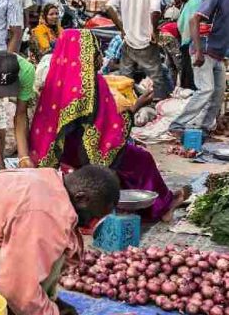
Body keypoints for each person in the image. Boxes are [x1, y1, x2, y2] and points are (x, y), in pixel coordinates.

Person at [30, 29, 189, 222]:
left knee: (129, 152)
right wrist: (135, 107)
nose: (99, 57)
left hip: (59, 154)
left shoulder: (56, 80)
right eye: (96, 51)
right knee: (141, 158)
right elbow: (107, 133)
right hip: (87, 154)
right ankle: (164, 205)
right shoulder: (91, 84)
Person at [0, 165, 120, 315]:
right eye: (93, 215)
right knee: (48, 254)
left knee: (51, 248)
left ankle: (36, 303)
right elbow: (16, 288)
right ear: (81, 198)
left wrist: (53, 303)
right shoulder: (45, 211)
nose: (91, 223)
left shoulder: (50, 180)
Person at [170, 0, 229, 136]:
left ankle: (202, 129)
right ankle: (177, 125)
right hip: (204, 51)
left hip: (217, 54)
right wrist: (198, 51)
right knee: (206, 90)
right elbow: (193, 20)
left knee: (217, 93)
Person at [105, 0, 171, 101]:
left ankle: (126, 105)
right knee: (157, 78)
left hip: (128, 41)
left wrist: (121, 28)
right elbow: (155, 10)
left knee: (125, 78)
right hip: (146, 41)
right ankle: (157, 108)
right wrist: (154, 30)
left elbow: (109, 7)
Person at [177, 0, 222, 90]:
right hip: (197, 44)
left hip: (186, 41)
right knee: (201, 85)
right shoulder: (205, 0)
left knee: (187, 72)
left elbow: (181, 23)